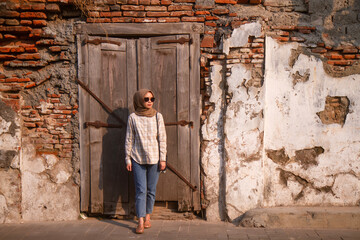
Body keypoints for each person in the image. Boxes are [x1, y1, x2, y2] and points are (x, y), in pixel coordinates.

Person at [125, 89, 167, 234]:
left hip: (155, 158)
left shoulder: (158, 117)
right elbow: (129, 139)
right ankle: (141, 221)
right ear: (139, 100)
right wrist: (127, 159)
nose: (150, 101)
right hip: (137, 158)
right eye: (146, 99)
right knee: (140, 190)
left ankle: (148, 216)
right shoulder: (133, 118)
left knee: (151, 190)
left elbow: (162, 138)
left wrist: (163, 159)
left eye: (152, 99)